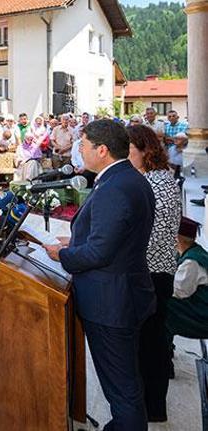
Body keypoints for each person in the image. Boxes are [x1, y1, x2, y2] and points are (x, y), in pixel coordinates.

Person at [44, 119, 155, 431]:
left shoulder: (115, 187)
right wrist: (77, 240)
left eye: (83, 147)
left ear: (102, 150)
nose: (79, 152)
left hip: (111, 304)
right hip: (124, 292)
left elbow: (99, 254)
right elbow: (115, 236)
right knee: (125, 383)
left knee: (122, 388)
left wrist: (63, 254)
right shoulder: (127, 178)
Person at [127, 124, 181, 422]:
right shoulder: (152, 178)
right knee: (148, 343)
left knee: (152, 344)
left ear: (146, 150)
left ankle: (153, 409)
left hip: (155, 273)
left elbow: (156, 235)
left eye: (130, 151)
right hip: (150, 271)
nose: (127, 157)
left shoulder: (159, 183)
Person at [166, 217, 208, 340]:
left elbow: (180, 291)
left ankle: (163, 351)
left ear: (177, 238)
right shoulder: (197, 251)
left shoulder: (191, 262)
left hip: (203, 314)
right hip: (201, 307)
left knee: (163, 307)